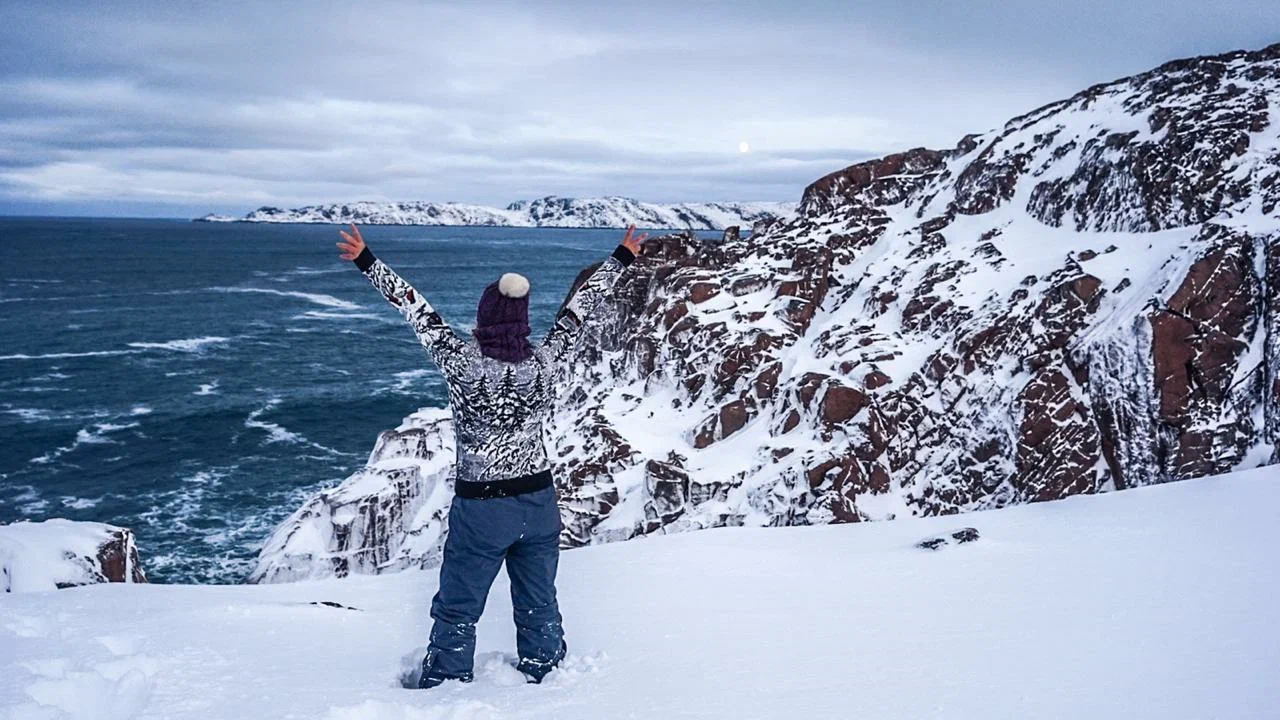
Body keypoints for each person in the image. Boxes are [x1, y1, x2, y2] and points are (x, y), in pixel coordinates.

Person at [336, 223, 645, 687]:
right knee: (538, 600)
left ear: (483, 320)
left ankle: (444, 681)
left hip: (482, 508)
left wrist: (367, 261)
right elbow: (579, 309)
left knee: (459, 604)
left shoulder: (461, 362)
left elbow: (415, 309)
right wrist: (621, 256)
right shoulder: (545, 361)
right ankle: (546, 673)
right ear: (522, 323)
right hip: (540, 503)